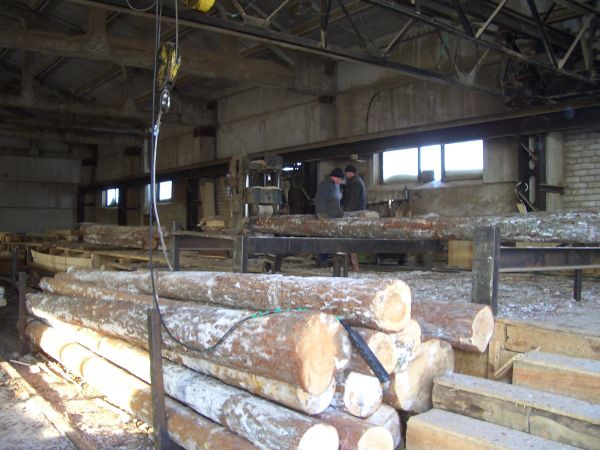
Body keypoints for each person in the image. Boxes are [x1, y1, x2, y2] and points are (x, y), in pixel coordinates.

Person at [313, 168, 344, 267]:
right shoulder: (325, 185)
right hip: (325, 218)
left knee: (330, 239)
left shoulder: (336, 186)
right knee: (324, 239)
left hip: (333, 218)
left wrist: (340, 212)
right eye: (340, 179)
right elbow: (319, 199)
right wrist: (321, 214)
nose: (340, 181)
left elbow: (336, 201)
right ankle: (321, 261)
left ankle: (325, 260)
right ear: (335, 177)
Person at [342, 164, 367, 272]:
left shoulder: (356, 182)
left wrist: (345, 213)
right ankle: (351, 265)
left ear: (351, 172)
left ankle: (356, 267)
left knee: (352, 239)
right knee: (350, 239)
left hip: (355, 213)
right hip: (354, 212)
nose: (346, 174)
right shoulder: (353, 181)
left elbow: (353, 200)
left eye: (347, 172)